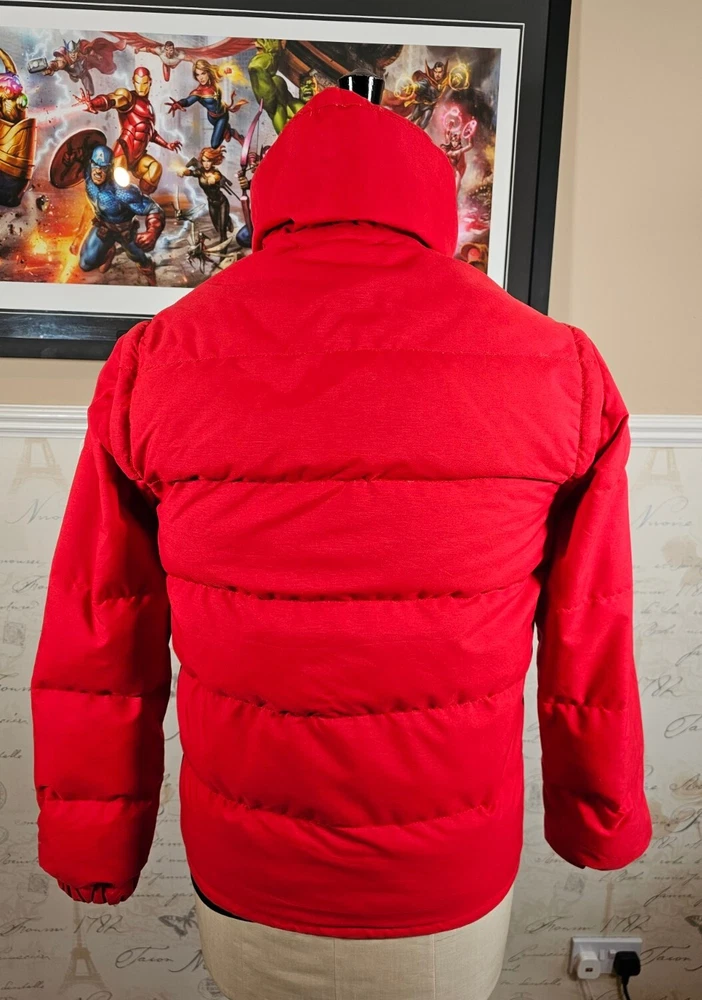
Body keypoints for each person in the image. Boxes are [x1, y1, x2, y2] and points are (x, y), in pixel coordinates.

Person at [31, 86, 651, 999]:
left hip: (247, 866)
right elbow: (590, 630)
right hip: (449, 872)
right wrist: (598, 815)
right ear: (432, 201)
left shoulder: (159, 360)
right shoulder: (559, 367)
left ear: (270, 201)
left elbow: (100, 631)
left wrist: (95, 844)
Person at [70, 143, 164, 285]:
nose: (98, 171)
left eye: (103, 167)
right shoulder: (88, 174)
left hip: (125, 232)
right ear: (91, 163)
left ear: (110, 168)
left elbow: (153, 208)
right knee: (85, 263)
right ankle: (109, 252)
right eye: (95, 165)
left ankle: (150, 275)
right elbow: (77, 156)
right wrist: (70, 157)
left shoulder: (122, 191)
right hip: (103, 228)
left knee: (139, 258)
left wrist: (152, 232)